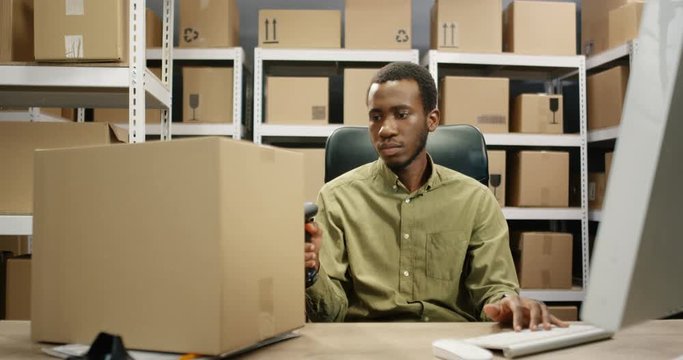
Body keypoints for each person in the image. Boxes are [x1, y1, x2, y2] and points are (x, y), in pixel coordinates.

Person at [304, 62, 566, 331]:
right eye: (376, 117)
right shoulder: (336, 198)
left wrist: (508, 304)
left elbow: (493, 291)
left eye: (401, 114)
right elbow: (330, 316)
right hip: (367, 343)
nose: (385, 129)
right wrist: (310, 273)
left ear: (432, 119)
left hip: (451, 341)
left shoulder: (476, 200)